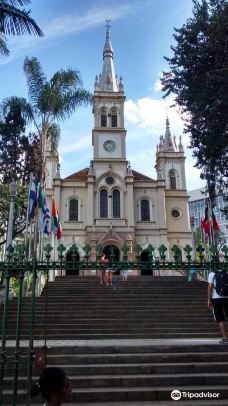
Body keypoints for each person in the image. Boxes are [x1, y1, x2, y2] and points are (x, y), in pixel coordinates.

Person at [208, 269, 228, 344]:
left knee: (220, 317)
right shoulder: (226, 273)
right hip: (227, 297)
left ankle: (225, 338)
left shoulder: (212, 274)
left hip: (216, 298)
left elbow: (210, 287)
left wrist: (209, 300)